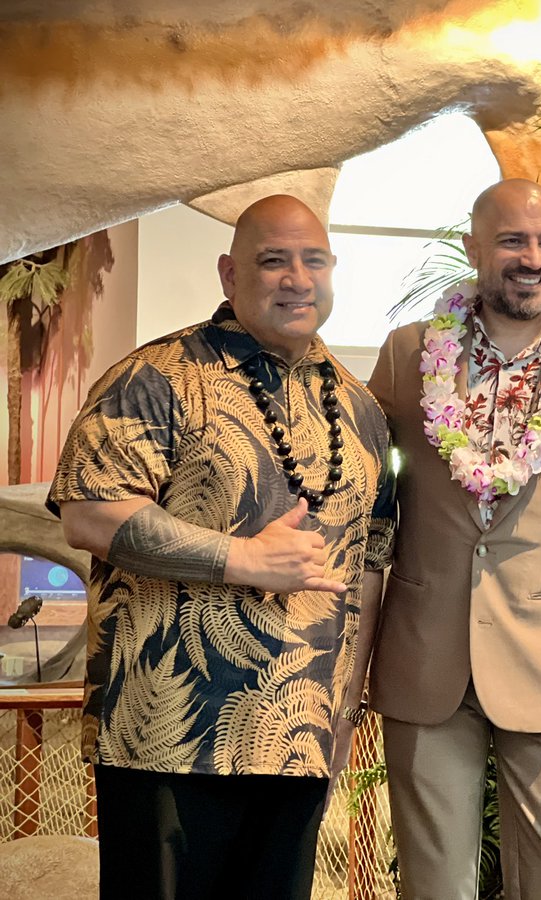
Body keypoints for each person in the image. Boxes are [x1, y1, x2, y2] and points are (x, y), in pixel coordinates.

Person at [47, 195, 395, 900]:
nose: (297, 277)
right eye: (273, 260)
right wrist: (241, 559)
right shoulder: (155, 376)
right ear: (229, 274)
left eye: (314, 259)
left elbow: (370, 563)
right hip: (168, 736)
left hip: (301, 739)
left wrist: (347, 705)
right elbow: (88, 513)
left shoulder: (361, 410)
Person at [366, 178, 541, 900]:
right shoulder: (407, 358)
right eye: (512, 240)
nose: (532, 257)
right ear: (473, 249)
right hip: (426, 659)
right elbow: (369, 508)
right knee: (435, 883)